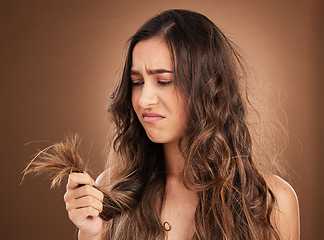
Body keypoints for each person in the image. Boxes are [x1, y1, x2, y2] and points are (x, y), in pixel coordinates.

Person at [63, 9, 300, 240]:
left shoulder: (271, 202)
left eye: (164, 81)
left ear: (207, 88)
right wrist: (92, 234)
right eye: (136, 82)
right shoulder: (111, 189)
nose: (144, 99)